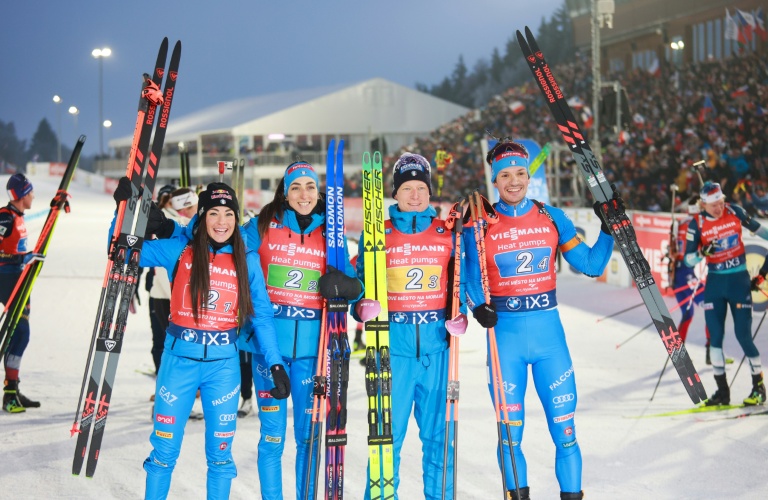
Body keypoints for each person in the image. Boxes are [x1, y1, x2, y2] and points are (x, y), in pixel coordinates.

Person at [113, 179, 291, 499]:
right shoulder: (180, 249)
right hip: (178, 363)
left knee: (221, 457)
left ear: (236, 218)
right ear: (202, 216)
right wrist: (122, 212)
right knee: (163, 454)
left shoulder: (246, 259)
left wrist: (276, 364)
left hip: (223, 368)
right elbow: (120, 252)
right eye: (214, 213)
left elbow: (262, 316)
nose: (222, 221)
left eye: (229, 214)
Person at [463, 140, 616, 500]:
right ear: (494, 181)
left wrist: (608, 229)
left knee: (566, 433)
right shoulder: (481, 224)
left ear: (528, 176)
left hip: (550, 341)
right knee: (510, 435)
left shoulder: (551, 216)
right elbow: (470, 278)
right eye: (505, 175)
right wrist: (477, 306)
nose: (514, 181)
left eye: (520, 173)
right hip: (505, 340)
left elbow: (591, 265)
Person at [243, 161, 362, 500]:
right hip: (268, 352)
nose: (303, 194)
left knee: (308, 438)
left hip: (313, 354)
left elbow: (353, 282)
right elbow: (220, 244)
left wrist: (352, 287)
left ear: (319, 192)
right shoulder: (261, 226)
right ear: (285, 192)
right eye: (295, 187)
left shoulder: (331, 235)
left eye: (310, 186)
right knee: (272, 438)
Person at [355, 152, 464, 500]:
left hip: (437, 351)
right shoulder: (378, 234)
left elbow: (464, 283)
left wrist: (463, 312)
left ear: (429, 192)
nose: (415, 195)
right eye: (407, 188)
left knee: (439, 440)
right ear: (395, 193)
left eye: (421, 188)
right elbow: (359, 281)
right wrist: (359, 304)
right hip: (391, 352)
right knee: (386, 439)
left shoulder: (448, 234)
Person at [683, 181, 768, 407]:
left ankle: (759, 388)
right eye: (714, 206)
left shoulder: (734, 211)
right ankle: (722, 392)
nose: (719, 208)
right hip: (715, 284)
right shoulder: (697, 224)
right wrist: (702, 252)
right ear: (703, 204)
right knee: (715, 338)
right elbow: (688, 260)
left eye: (721, 203)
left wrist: (763, 272)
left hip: (739, 281)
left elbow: (763, 232)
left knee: (743, 335)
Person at [1, 174, 45, 413]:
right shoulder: (5, 217)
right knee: (20, 334)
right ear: (22, 195)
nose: (33, 196)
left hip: (17, 279)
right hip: (6, 279)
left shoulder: (17, 216)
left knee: (20, 335)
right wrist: (22, 258)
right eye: (30, 192)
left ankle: (13, 389)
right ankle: (9, 395)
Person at [669, 195, 712, 359]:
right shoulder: (695, 224)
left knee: (688, 314)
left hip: (677, 275)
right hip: (685, 274)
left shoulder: (680, 222)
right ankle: (711, 352)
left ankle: (678, 353)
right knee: (711, 307)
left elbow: (672, 247)